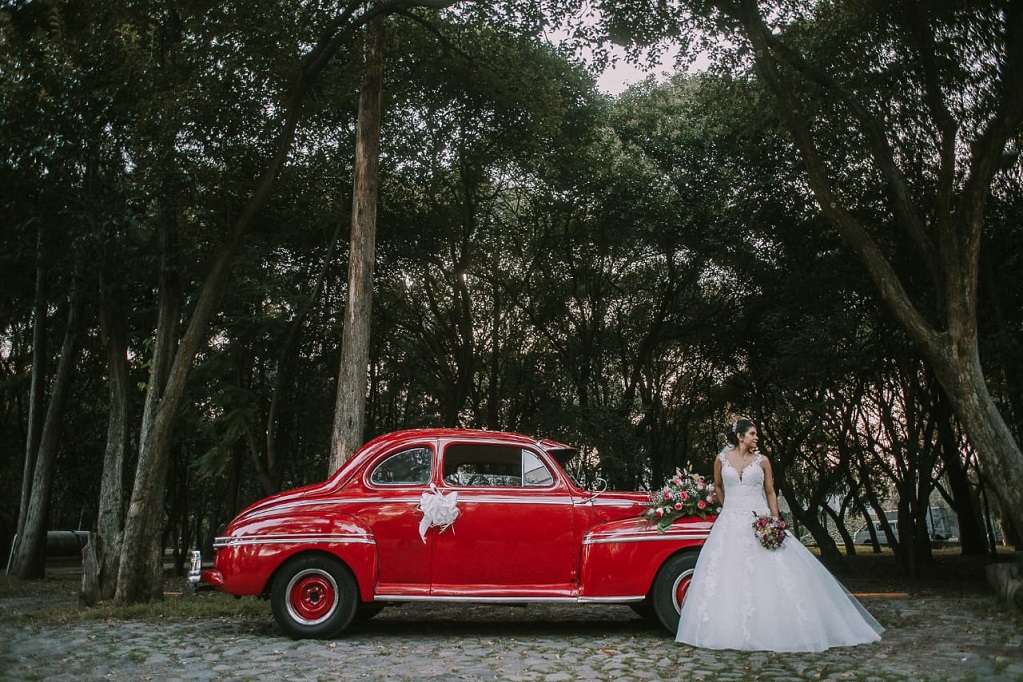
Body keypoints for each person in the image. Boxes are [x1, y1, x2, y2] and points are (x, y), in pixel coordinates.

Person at [676, 418, 884, 652]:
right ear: (740, 436)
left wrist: (775, 519)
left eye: (757, 434)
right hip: (730, 522)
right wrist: (728, 507)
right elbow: (718, 486)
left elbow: (770, 491)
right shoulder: (721, 460)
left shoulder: (763, 461)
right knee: (729, 572)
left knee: (771, 572)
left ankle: (778, 625)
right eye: (753, 433)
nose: (757, 437)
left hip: (760, 519)